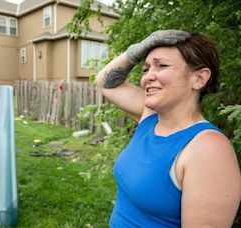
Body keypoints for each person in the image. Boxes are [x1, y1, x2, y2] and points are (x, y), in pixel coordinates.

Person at [96, 30, 241, 227]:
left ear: (199, 78)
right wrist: (135, 52)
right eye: (145, 69)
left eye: (161, 66)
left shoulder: (208, 149)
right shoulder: (150, 118)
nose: (147, 77)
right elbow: (106, 83)